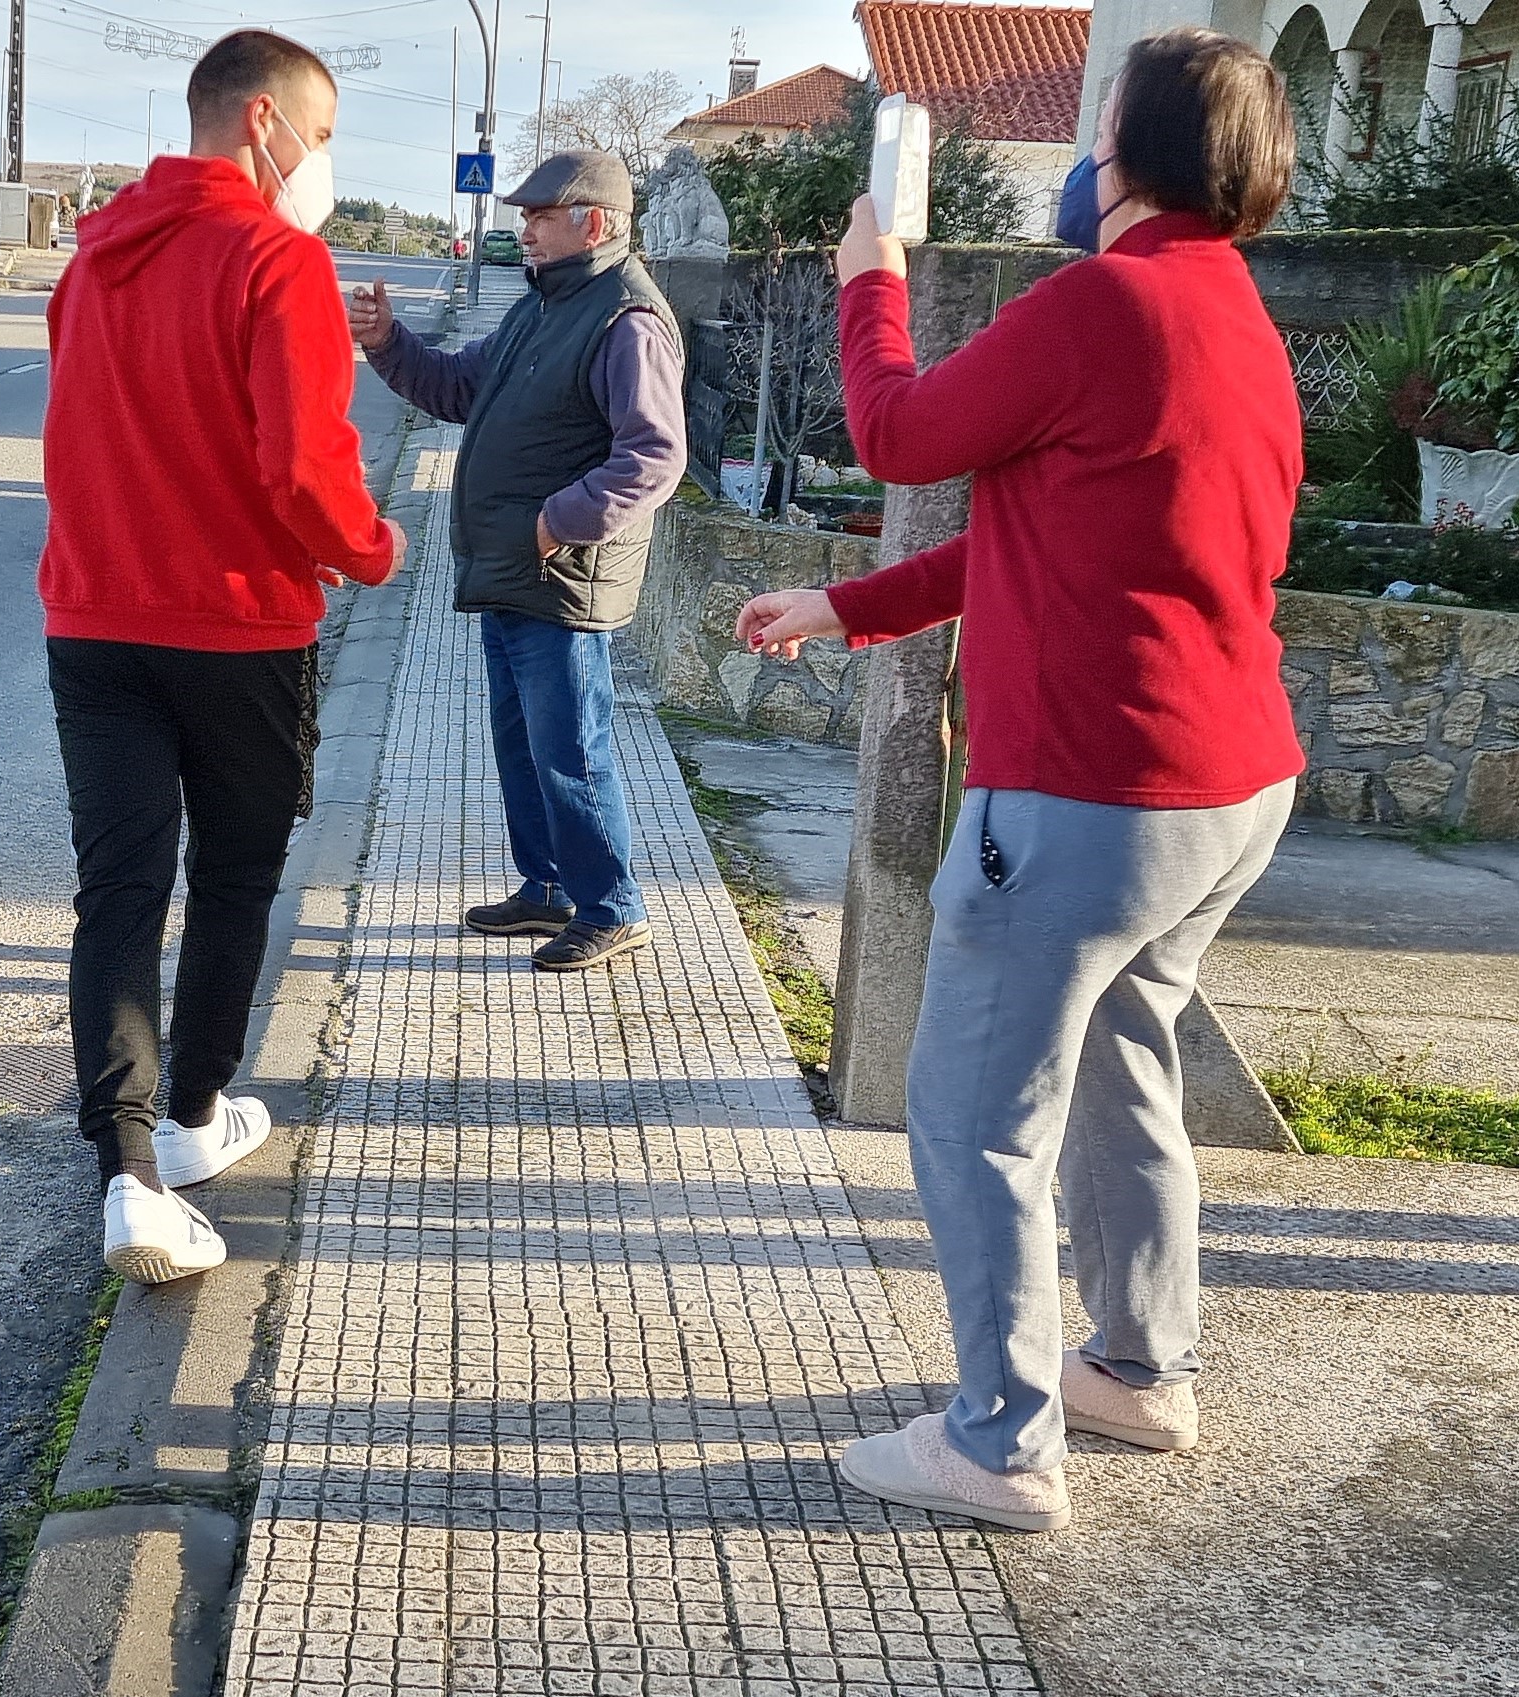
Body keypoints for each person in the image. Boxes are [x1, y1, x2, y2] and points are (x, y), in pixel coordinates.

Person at [736, 28, 1305, 1532]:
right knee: (1126, 1074)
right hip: (1225, 789)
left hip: (1087, 796)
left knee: (975, 1113)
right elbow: (1055, 532)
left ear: (1131, 157)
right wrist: (846, 609)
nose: (1083, 153)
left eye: (1098, 124)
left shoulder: (1102, 303)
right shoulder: (1229, 312)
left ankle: (998, 1441)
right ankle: (1141, 1367)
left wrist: (876, 269)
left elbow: (896, 430)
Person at [40, 29, 405, 1286]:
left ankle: (127, 1178)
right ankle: (195, 1117)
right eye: (324, 136)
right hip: (237, 624)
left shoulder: (89, 262)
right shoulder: (276, 258)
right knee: (237, 874)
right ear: (264, 122)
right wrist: (372, 549)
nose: (323, 166)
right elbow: (303, 466)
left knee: (120, 891)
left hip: (91, 620)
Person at [348, 148, 686, 971]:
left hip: (561, 577)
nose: (523, 229)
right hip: (512, 571)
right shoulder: (544, 305)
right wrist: (390, 342)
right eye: (524, 215)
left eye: (538, 216)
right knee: (522, 742)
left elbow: (652, 457)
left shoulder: (625, 320)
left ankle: (614, 906)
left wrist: (553, 524)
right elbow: (460, 388)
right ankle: (548, 888)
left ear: (592, 223)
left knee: (570, 748)